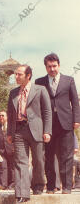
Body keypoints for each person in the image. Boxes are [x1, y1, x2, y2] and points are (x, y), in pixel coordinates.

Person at [35, 53, 80, 194]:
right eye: (49, 66)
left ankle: (66, 187)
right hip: (47, 125)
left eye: (54, 66)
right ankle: (51, 186)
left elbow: (75, 102)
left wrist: (76, 119)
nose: (52, 69)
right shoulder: (39, 82)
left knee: (66, 156)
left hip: (66, 123)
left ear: (59, 66)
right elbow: (37, 104)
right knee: (48, 156)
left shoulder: (69, 80)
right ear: (46, 67)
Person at [7, 65, 52, 203]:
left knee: (38, 160)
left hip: (36, 130)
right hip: (19, 130)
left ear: (28, 75)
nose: (16, 77)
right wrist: (9, 132)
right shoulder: (13, 93)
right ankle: (22, 193)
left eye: (19, 74)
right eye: (15, 74)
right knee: (20, 162)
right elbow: (10, 114)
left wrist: (47, 131)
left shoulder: (40, 90)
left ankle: (38, 185)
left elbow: (47, 112)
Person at [0, 111, 14, 190]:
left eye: (3, 115)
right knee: (3, 167)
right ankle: (3, 184)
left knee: (12, 168)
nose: (1, 117)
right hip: (1, 151)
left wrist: (15, 147)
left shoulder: (12, 126)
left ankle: (12, 184)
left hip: (12, 150)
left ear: (7, 117)